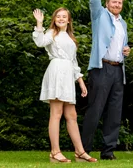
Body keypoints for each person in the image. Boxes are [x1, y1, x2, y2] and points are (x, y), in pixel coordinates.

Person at [32, 8, 97, 163]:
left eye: (64, 17)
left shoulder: (70, 38)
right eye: (58, 16)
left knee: (72, 115)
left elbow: (73, 62)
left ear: (69, 20)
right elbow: (40, 42)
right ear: (54, 19)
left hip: (68, 76)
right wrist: (39, 24)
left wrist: (80, 81)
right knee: (56, 112)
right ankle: (55, 152)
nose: (61, 19)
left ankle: (80, 152)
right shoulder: (51, 34)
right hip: (56, 73)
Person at [81, 0, 130, 160]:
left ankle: (108, 151)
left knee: (114, 112)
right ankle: (84, 150)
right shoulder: (99, 15)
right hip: (101, 69)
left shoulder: (123, 23)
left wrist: (126, 50)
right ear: (107, 4)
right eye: (114, 2)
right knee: (95, 110)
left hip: (119, 70)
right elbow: (94, 0)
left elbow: (120, 44)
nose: (117, 5)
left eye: (120, 3)